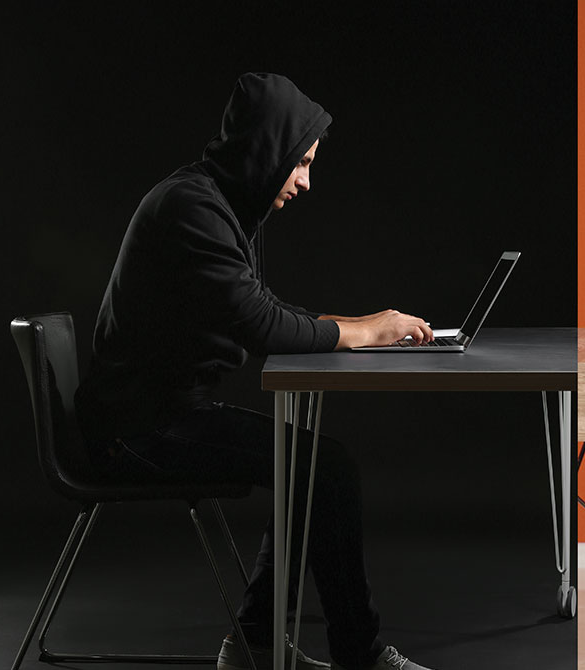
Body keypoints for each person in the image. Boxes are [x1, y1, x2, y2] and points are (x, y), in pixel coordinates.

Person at [75, 73, 436, 670]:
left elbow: (260, 310)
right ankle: (358, 656)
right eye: (301, 164)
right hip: (134, 431)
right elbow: (263, 326)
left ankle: (254, 645)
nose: (305, 182)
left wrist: (364, 328)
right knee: (328, 469)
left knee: (310, 465)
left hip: (159, 413)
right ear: (268, 148)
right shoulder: (192, 211)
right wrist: (366, 331)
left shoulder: (218, 205)